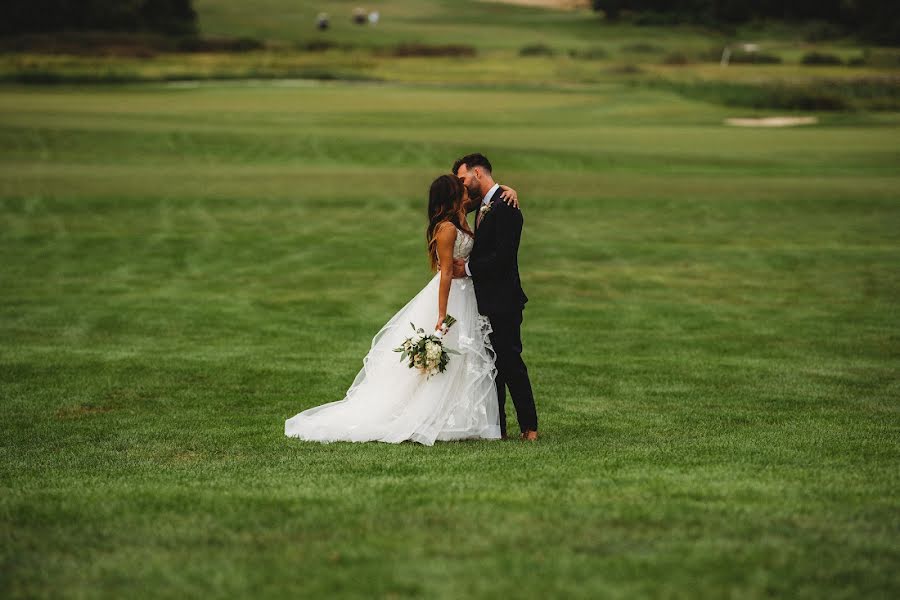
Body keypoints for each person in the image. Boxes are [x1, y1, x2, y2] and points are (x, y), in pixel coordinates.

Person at [285, 175, 520, 445]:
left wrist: (507, 190)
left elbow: (489, 197)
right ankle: (437, 416)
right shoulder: (447, 228)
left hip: (470, 294)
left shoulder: (462, 215)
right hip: (454, 294)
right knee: (454, 352)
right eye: (464, 191)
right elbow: (445, 274)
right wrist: (442, 315)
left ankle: (466, 418)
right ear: (454, 198)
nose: (469, 194)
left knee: (468, 357)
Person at [451, 153, 538, 441]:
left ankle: (529, 427)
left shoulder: (507, 206)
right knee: (491, 367)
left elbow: (503, 256)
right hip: (485, 300)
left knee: (510, 362)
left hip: (504, 300)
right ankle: (497, 427)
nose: (462, 186)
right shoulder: (486, 203)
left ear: (478, 172)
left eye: (463, 179)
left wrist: (468, 268)